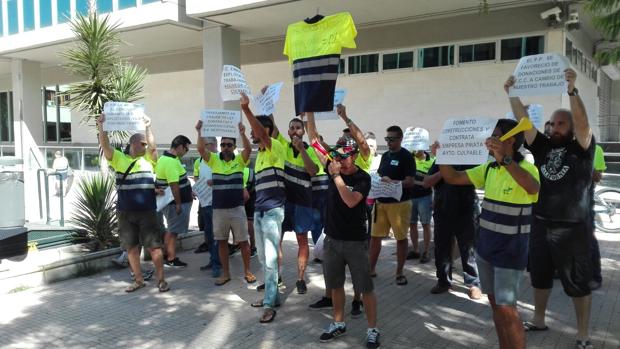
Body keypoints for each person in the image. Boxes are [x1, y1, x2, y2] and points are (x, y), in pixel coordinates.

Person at [506, 70, 596, 349]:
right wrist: (512, 93)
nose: (554, 127)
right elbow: (524, 122)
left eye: (560, 123)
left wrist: (572, 91)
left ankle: (583, 334)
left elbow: (583, 124)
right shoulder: (544, 147)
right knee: (540, 275)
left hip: (572, 227)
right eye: (552, 123)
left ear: (569, 127)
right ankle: (539, 318)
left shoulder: (582, 147)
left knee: (577, 282)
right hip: (541, 222)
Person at [439, 119, 540, 349]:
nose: (490, 139)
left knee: (507, 308)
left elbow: (533, 188)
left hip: (510, 252)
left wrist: (505, 160)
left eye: (496, 135)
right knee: (495, 306)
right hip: (486, 250)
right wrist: (443, 154)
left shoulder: (526, 168)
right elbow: (453, 177)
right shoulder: (488, 168)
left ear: (511, 140)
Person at [305, 112, 381, 349]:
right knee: (335, 285)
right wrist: (309, 112)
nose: (340, 159)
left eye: (345, 156)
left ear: (355, 155)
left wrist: (336, 176)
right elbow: (314, 139)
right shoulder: (332, 165)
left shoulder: (362, 178)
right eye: (337, 155)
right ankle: (338, 323)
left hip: (356, 242)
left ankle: (372, 329)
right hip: (332, 240)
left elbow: (350, 201)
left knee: (364, 288)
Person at [96, 114, 169, 293]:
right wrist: (101, 126)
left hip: (148, 212)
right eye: (142, 143)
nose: (145, 146)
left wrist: (148, 126)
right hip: (126, 212)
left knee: (154, 247)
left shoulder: (149, 160)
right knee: (131, 247)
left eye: (146, 144)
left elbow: (154, 147)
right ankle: (138, 280)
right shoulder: (119, 158)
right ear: (133, 143)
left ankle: (161, 280)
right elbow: (105, 146)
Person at [240, 93, 287, 323]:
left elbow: (259, 132)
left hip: (272, 211)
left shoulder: (275, 146)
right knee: (263, 259)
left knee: (269, 259)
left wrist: (247, 110)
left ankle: (269, 304)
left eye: (256, 131)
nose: (252, 134)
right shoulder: (259, 156)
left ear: (265, 131)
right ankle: (273, 296)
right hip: (259, 211)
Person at [195, 121, 256, 286]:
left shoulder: (240, 161)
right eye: (223, 145)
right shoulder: (214, 160)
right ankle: (226, 274)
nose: (226, 147)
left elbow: (249, 150)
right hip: (219, 211)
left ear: (234, 147)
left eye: (229, 145)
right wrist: (199, 131)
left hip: (237, 209)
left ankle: (247, 272)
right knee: (221, 241)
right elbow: (201, 149)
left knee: (244, 242)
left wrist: (243, 133)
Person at [422, 144, 481, 298]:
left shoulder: (470, 160)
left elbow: (479, 179)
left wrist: (453, 173)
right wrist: (444, 170)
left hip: (466, 211)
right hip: (443, 210)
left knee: (469, 250)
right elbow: (427, 182)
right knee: (441, 248)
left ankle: (473, 284)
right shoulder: (440, 161)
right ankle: (443, 281)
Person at [273, 117, 320, 294]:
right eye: (291, 128)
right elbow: (272, 125)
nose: (294, 131)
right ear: (288, 131)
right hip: (283, 202)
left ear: (303, 131)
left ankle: (300, 278)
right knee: (277, 238)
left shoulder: (311, 150)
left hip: (303, 203)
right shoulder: (282, 145)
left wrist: (302, 150)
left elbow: (313, 171)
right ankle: (276, 276)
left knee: (302, 240)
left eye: (298, 128)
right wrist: (267, 105)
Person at [368, 125, 415, 286]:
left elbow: (410, 181)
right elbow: (381, 174)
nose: (388, 142)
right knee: (375, 238)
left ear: (400, 139)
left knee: (401, 239)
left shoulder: (407, 156)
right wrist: (377, 179)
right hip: (381, 203)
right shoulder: (386, 156)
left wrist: (394, 182)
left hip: (399, 204)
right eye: (387, 139)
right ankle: (370, 269)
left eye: (392, 139)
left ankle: (400, 273)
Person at [155, 135, 193, 268]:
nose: (186, 152)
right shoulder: (170, 161)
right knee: (173, 231)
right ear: (180, 147)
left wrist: (189, 191)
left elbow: (180, 181)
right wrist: (178, 204)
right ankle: (170, 258)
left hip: (176, 201)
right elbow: (174, 185)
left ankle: (168, 256)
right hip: (175, 203)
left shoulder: (166, 158)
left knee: (172, 230)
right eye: (186, 149)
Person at [193, 137, 222, 277]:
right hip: (204, 202)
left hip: (216, 203)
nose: (204, 148)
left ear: (215, 144)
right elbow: (198, 178)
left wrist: (215, 181)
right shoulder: (200, 161)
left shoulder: (220, 158)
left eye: (207, 145)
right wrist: (196, 188)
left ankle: (218, 264)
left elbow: (228, 175)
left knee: (216, 235)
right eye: (203, 145)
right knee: (209, 235)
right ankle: (213, 260)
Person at [407, 149, 435, 263]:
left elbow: (433, 182)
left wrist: (434, 199)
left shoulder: (432, 161)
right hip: (409, 197)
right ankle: (415, 250)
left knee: (425, 224)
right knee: (412, 224)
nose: (415, 150)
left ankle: (426, 252)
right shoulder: (409, 159)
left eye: (418, 147)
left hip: (425, 197)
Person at [589, 145, 606, 290]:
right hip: (563, 202)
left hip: (584, 200)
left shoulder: (596, 149)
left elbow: (598, 176)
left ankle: (595, 276)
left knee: (589, 238)